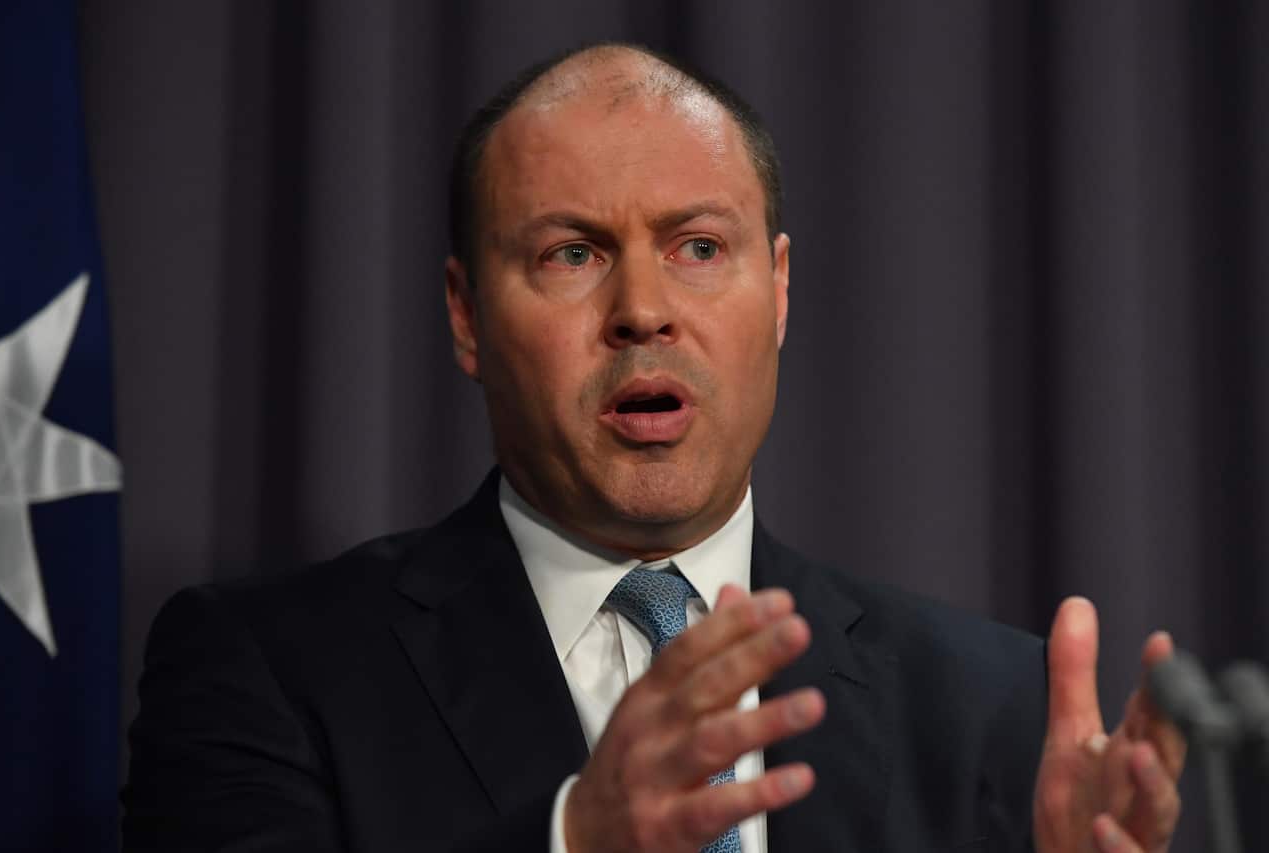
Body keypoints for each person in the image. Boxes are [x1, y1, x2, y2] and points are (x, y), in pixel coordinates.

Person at [122, 43, 1185, 852]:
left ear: (775, 290)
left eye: (697, 248)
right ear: (464, 315)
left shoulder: (998, 709)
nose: (642, 310)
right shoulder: (263, 669)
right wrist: (576, 841)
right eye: (572, 252)